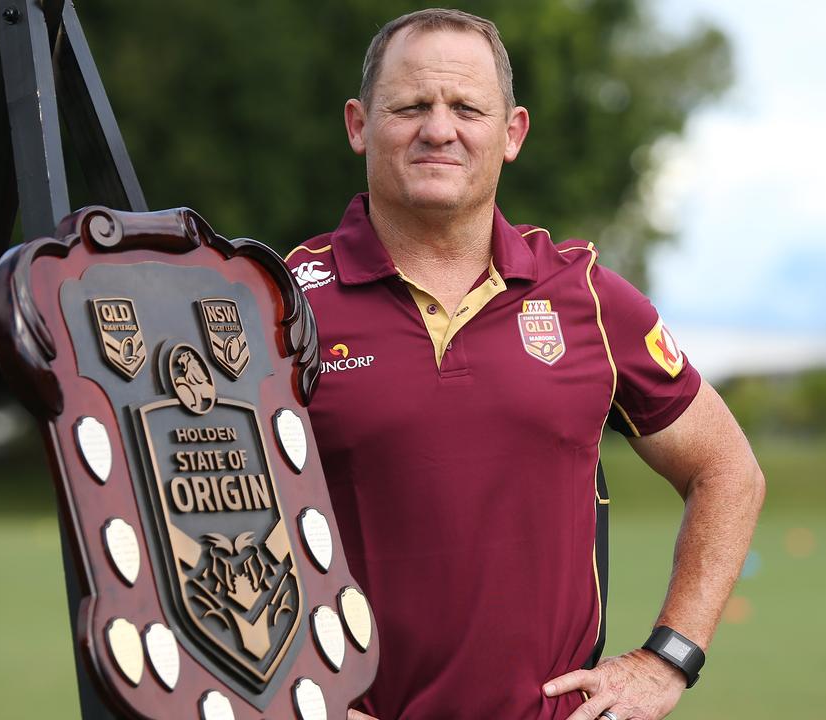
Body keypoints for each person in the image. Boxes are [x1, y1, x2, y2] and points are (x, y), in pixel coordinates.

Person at [285, 9, 765, 720]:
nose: (439, 129)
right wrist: (296, 697)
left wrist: (668, 660)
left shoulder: (587, 298)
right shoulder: (275, 304)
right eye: (411, 105)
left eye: (467, 108)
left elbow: (728, 470)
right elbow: (200, 519)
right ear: (359, 124)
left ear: (512, 134)